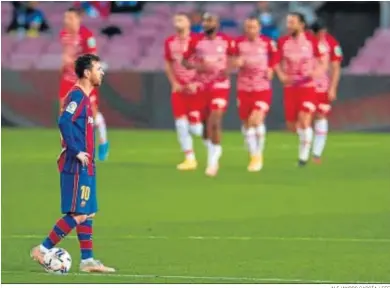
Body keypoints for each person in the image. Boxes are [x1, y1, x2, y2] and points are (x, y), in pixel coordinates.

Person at [30, 54, 115, 273]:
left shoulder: (85, 98)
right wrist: (76, 151)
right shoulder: (77, 96)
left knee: (88, 212)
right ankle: (42, 249)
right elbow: (63, 121)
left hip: (87, 164)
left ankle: (87, 261)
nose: (102, 72)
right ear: (87, 73)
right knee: (78, 213)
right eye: (98, 68)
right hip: (75, 164)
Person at [182, 13, 236, 177]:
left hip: (220, 86)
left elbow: (234, 57)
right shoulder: (195, 40)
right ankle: (213, 151)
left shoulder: (226, 40)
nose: (207, 24)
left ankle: (213, 162)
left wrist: (228, 69)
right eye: (205, 21)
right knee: (205, 128)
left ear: (217, 23)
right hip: (202, 86)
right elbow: (184, 61)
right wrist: (196, 67)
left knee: (215, 119)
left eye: (210, 21)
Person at [274, 12, 327, 166]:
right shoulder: (283, 42)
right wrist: (282, 76)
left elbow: (323, 62)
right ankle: (306, 142)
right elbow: (276, 62)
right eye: (288, 22)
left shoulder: (312, 41)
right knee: (293, 126)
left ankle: (303, 158)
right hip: (290, 88)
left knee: (305, 120)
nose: (289, 25)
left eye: (292, 22)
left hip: (307, 88)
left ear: (301, 25)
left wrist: (315, 73)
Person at [59, 7, 109, 161]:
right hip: (67, 79)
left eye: (71, 18)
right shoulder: (64, 35)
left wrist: (74, 62)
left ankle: (103, 141)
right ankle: (66, 147)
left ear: (79, 19)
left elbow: (93, 59)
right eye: (66, 18)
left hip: (84, 80)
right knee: (63, 112)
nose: (68, 21)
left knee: (91, 114)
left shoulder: (87, 36)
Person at [235, 17, 277, 172]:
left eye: (253, 27)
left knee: (255, 120)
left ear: (259, 28)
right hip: (244, 88)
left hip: (262, 87)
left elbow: (276, 56)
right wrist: (236, 62)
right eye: (247, 27)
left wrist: (271, 68)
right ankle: (255, 154)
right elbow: (230, 60)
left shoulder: (267, 43)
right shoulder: (238, 43)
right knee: (247, 123)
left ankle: (256, 157)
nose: (250, 30)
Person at [164, 13, 202, 170]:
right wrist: (174, 83)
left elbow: (205, 64)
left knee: (196, 129)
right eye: (175, 19)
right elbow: (168, 64)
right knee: (180, 123)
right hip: (179, 88)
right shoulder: (169, 42)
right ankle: (189, 158)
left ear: (188, 23)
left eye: (180, 19)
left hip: (196, 88)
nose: (177, 22)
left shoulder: (198, 41)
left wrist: (198, 83)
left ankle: (204, 129)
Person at [310, 21, 343, 163]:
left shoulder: (331, 42)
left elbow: (336, 67)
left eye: (324, 32)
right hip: (305, 86)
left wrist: (333, 88)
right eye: (320, 33)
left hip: (322, 85)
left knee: (321, 116)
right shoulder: (305, 42)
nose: (323, 35)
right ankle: (305, 147)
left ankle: (317, 153)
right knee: (304, 117)